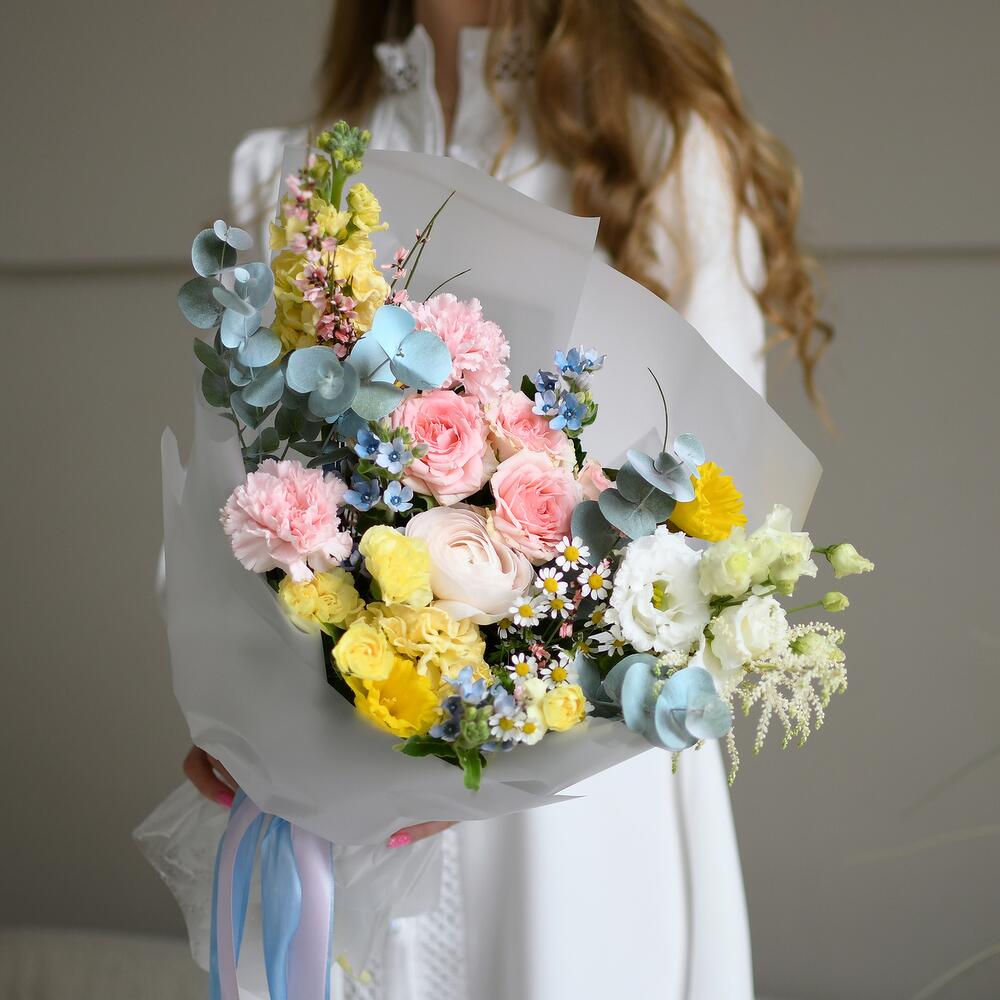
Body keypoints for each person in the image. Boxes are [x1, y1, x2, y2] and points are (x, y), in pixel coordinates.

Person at [183, 2, 830, 997]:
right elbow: (236, 491)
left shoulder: (664, 148)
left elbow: (716, 521)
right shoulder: (288, 173)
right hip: (342, 784)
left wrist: (504, 724)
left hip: (579, 811)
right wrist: (240, 713)